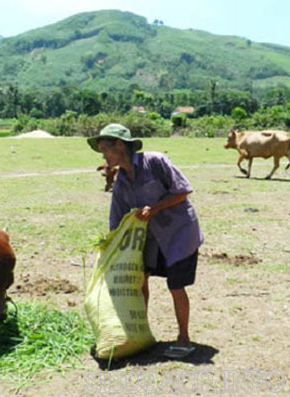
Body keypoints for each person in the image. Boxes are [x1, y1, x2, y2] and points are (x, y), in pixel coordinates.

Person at [87, 123, 203, 359]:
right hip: (150, 239)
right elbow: (116, 219)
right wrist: (109, 245)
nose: (104, 157)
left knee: (175, 285)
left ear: (119, 145)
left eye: (105, 151)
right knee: (140, 281)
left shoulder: (156, 162)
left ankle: (184, 338)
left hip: (179, 233)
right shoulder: (120, 181)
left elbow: (183, 190)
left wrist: (156, 209)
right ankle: (139, 333)